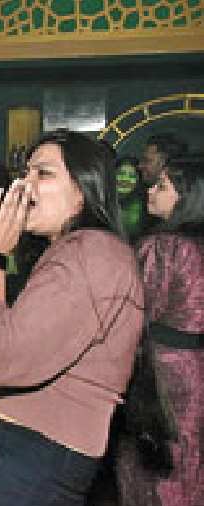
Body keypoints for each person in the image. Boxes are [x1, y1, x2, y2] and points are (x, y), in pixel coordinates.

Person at [0, 130, 144, 506]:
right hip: (28, 449)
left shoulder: (92, 253)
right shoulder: (73, 251)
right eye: (24, 172)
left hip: (34, 454)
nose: (24, 184)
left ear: (84, 188)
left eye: (44, 173)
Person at [116, 159, 203, 506]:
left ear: (188, 197)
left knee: (154, 469)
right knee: (192, 463)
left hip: (162, 373)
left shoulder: (164, 246)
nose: (149, 189)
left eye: (161, 186)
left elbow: (134, 312)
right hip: (197, 366)